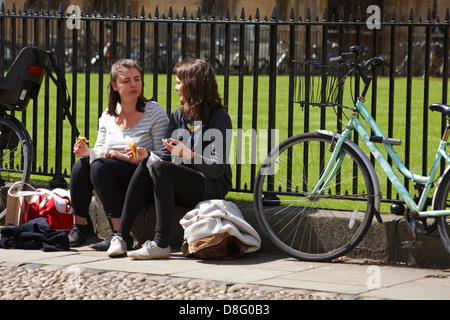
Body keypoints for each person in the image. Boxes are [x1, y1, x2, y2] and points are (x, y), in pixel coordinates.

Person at [106, 59, 233, 259]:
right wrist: (146, 155)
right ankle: (120, 237)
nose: (176, 88)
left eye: (179, 83)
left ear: (193, 85)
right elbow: (166, 155)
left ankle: (161, 243)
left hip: (211, 186)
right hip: (185, 184)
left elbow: (216, 169)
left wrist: (188, 153)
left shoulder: (219, 117)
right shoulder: (178, 116)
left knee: (159, 168)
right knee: (150, 165)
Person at [68, 59, 169, 251]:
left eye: (137, 79)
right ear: (114, 85)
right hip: (109, 173)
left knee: (99, 166)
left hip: (142, 176)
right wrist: (86, 152)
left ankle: (120, 235)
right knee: (82, 165)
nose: (133, 84)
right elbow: (98, 151)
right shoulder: (108, 115)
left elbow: (163, 156)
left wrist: (136, 156)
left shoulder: (155, 112)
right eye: (126, 80)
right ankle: (78, 227)